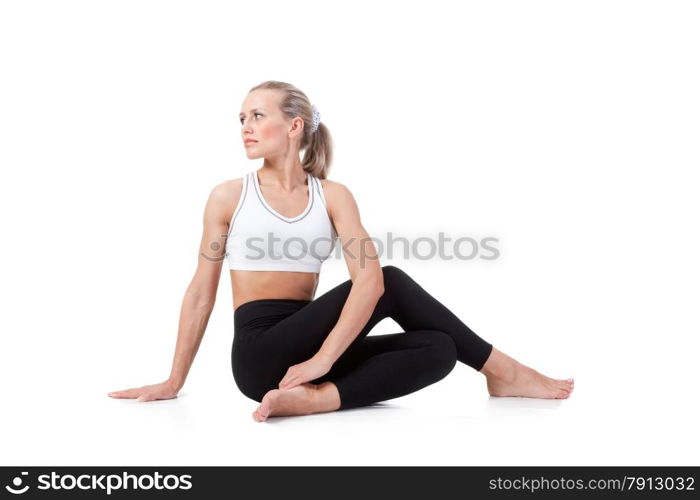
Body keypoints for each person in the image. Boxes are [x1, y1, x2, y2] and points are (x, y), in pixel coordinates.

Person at [108, 80, 574, 422]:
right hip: (258, 355)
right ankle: (503, 370)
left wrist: (321, 361)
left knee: (440, 348)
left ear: (293, 126)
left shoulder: (333, 196)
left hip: (306, 354)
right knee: (389, 278)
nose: (246, 127)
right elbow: (199, 293)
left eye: (257, 116)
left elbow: (366, 283)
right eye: (242, 118)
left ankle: (317, 398)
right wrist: (173, 381)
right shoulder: (229, 196)